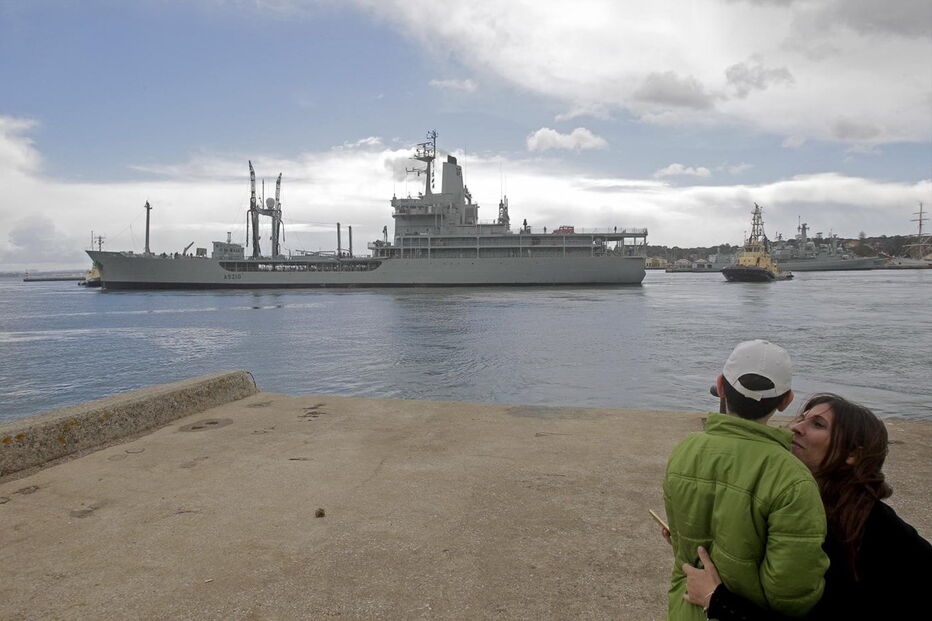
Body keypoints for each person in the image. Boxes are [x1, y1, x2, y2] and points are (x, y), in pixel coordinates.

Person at [681, 394, 932, 620]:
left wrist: (715, 599)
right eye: (802, 418)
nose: (796, 427)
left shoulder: (870, 529)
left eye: (818, 424)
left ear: (853, 454)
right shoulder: (792, 502)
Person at [663, 340, 828, 620]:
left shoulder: (685, 451)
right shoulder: (792, 478)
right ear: (787, 401)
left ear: (721, 386)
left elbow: (687, 542)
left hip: (685, 608)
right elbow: (790, 595)